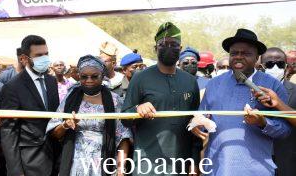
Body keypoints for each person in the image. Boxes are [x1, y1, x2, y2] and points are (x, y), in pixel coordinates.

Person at [192, 28, 291, 176]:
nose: (238, 57)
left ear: (257, 57)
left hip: (256, 170)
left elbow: (285, 130)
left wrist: (263, 123)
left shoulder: (273, 86)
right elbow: (203, 119)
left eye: (245, 53)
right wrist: (198, 124)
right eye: (234, 53)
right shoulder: (214, 84)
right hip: (216, 168)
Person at [122, 22, 202, 175]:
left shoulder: (190, 81)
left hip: (182, 163)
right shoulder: (140, 78)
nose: (169, 48)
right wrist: (137, 109)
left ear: (180, 48)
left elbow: (195, 124)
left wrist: (195, 161)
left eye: (174, 44)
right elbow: (124, 119)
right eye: (163, 44)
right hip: (148, 164)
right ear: (155, 48)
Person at [46, 55, 132, 176]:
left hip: (104, 161)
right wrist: (65, 125)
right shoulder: (70, 98)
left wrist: (120, 169)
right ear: (79, 76)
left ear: (102, 76)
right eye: (84, 77)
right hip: (74, 162)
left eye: (94, 76)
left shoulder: (114, 100)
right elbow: (54, 133)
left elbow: (123, 137)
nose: (89, 80)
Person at [0, 35, 60, 176]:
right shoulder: (12, 87)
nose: (44, 58)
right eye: (39, 55)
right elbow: (9, 132)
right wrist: (16, 171)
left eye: (46, 54)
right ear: (24, 58)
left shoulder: (51, 81)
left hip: (55, 158)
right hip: (29, 162)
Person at [260, 47, 296, 176]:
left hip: (287, 160)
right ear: (261, 66)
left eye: (279, 64)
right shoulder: (249, 90)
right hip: (257, 160)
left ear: (286, 67)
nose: (275, 68)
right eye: (270, 64)